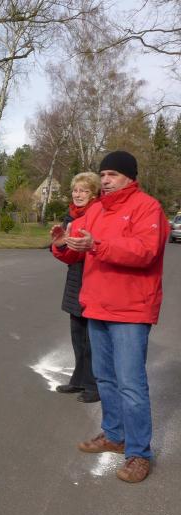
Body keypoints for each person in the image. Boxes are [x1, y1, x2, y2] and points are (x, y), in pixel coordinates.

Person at [52, 151, 169, 483]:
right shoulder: (96, 210)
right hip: (97, 306)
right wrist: (62, 244)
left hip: (131, 310)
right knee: (104, 378)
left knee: (131, 383)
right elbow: (76, 248)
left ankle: (139, 453)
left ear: (130, 177)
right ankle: (114, 435)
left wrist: (97, 245)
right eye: (103, 174)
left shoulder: (148, 208)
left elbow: (145, 252)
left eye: (113, 174)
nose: (105, 180)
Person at [52, 172, 101, 403]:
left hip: (94, 277)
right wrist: (60, 244)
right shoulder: (70, 216)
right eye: (75, 190)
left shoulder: (98, 213)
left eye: (84, 190)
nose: (78, 194)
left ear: (94, 194)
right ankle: (79, 379)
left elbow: (95, 247)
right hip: (76, 278)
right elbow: (66, 254)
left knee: (93, 338)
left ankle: (94, 385)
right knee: (78, 335)